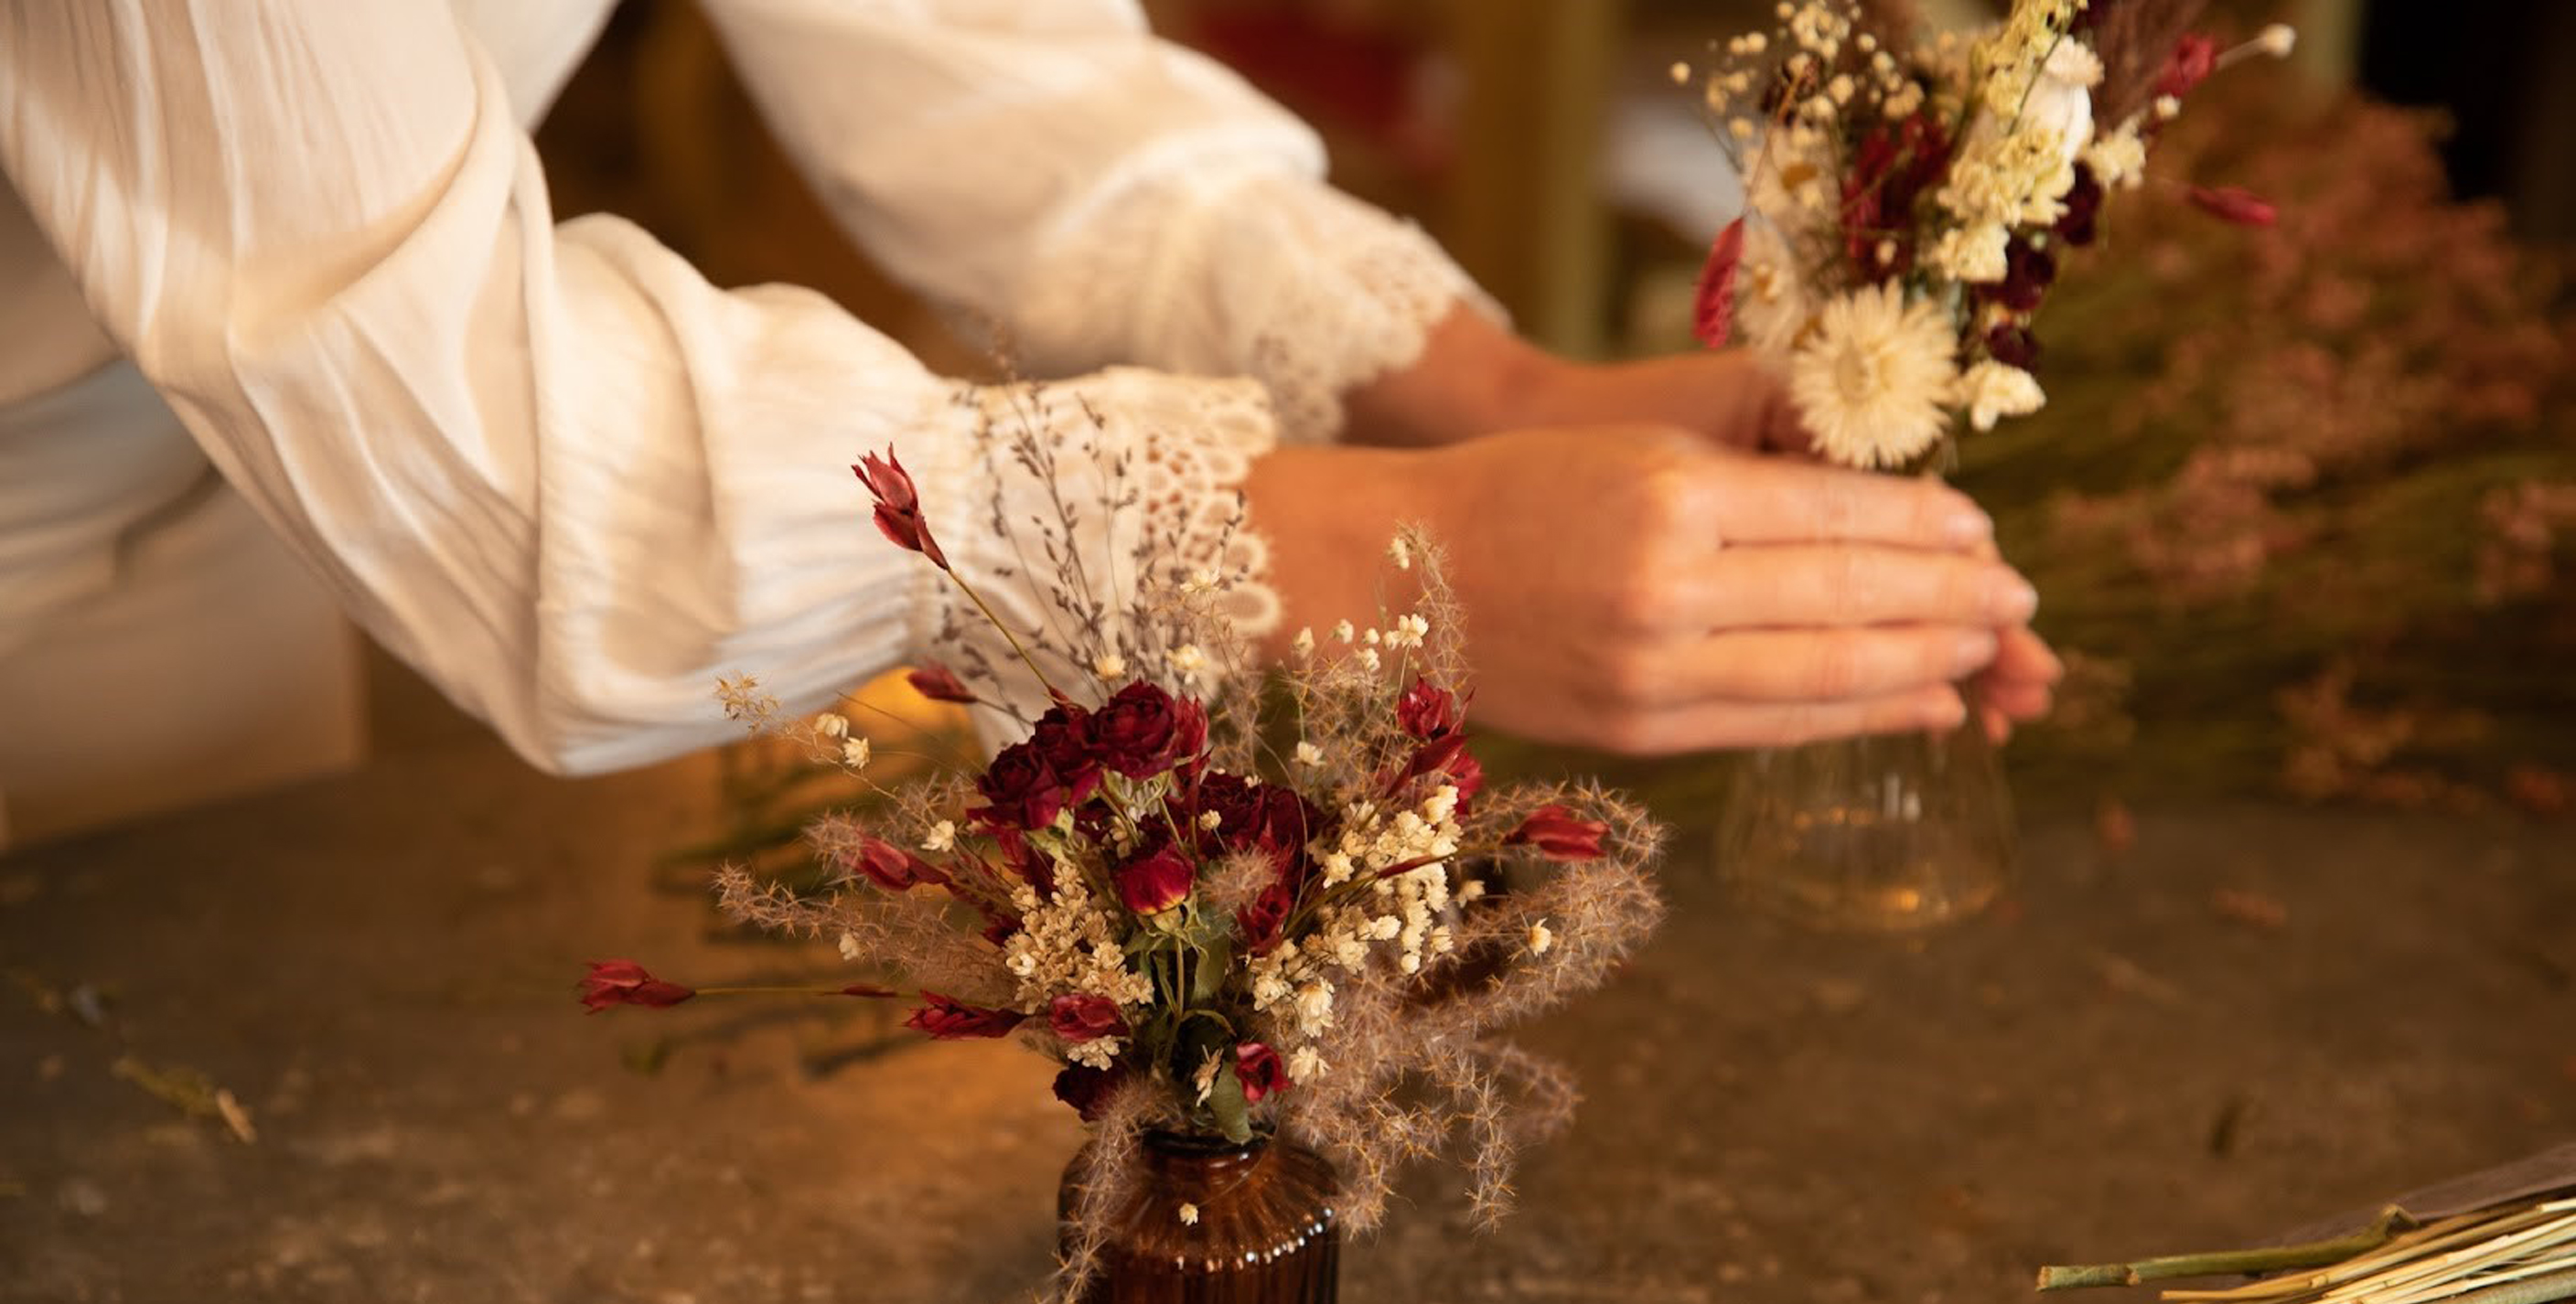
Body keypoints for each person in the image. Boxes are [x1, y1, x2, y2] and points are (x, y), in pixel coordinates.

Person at [0, 0, 2056, 847]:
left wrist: (1503, 397)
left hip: (212, 482)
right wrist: (1352, 546)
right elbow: (478, 445)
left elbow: (984, 62)